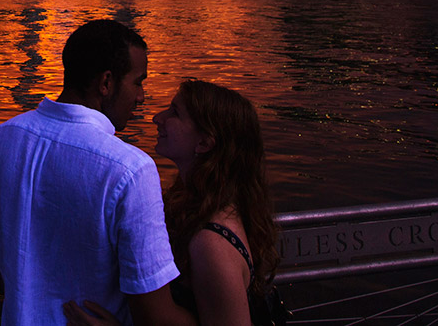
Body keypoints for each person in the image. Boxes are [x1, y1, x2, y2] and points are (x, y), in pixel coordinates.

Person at [0, 19, 197, 326]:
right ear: (106, 83)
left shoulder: (1, 138)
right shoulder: (130, 169)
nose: (142, 96)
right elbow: (156, 316)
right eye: (138, 82)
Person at [65, 80, 280, 326]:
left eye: (175, 113)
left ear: (204, 143)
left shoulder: (212, 244)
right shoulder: (195, 201)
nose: (158, 118)